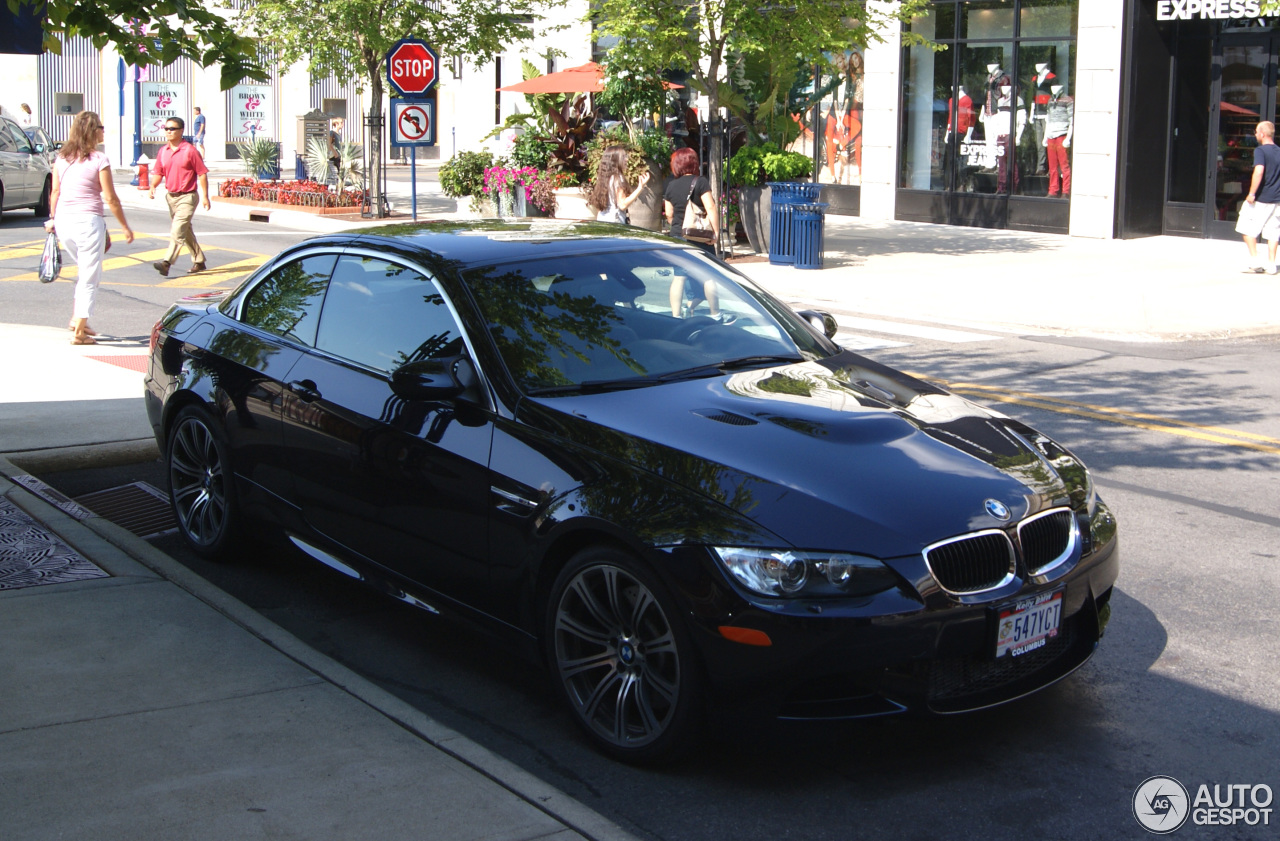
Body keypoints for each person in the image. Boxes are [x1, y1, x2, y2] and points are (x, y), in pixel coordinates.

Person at [43, 111, 135, 345]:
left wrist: (52, 219)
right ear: (93, 131)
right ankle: (79, 332)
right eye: (101, 127)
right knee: (89, 277)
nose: (103, 131)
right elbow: (111, 198)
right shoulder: (98, 159)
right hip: (87, 221)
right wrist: (125, 227)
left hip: (64, 221)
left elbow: (55, 192)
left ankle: (78, 319)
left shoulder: (62, 158)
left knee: (84, 272)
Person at [663, 147, 729, 321]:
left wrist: (678, 226)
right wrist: (715, 233)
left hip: (678, 235)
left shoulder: (670, 186)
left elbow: (669, 214)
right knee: (708, 275)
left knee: (679, 277)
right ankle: (716, 314)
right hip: (699, 236)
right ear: (694, 163)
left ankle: (676, 316)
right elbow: (711, 207)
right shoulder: (700, 182)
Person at [148, 116, 210, 276]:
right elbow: (159, 172)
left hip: (187, 197)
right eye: (166, 128)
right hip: (171, 197)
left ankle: (167, 262)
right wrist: (153, 186)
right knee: (185, 230)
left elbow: (202, 174)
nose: (168, 131)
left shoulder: (189, 151)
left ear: (181, 131)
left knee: (177, 230)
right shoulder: (163, 151)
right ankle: (199, 260)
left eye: (172, 129)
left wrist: (205, 197)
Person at [1236, 120, 1280, 274]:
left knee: (1245, 227)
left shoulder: (1260, 151)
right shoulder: (1279, 151)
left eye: (1255, 132)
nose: (1255, 135)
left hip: (1262, 198)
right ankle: (1272, 264)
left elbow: (1259, 171)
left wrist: (1251, 193)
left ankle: (1255, 261)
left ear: (1262, 134)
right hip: (1277, 199)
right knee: (1273, 232)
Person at [590, 145, 649, 224]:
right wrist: (640, 187)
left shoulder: (603, 177)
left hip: (602, 220)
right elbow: (622, 205)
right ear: (615, 160)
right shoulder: (618, 178)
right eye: (623, 157)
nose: (626, 159)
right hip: (615, 222)